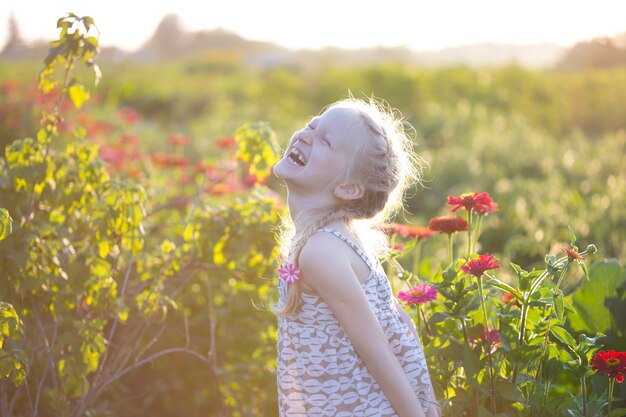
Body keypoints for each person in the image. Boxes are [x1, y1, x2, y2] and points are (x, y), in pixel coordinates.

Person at [272, 97, 441, 417]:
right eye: (313, 124)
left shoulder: (321, 252)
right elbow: (400, 321)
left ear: (349, 188)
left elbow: (377, 349)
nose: (306, 134)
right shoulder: (340, 236)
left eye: (325, 140)